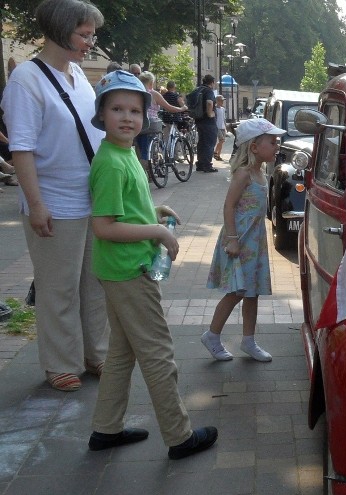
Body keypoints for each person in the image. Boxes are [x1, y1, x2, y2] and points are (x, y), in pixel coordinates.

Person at [86, 70, 218, 459]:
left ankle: (105, 430)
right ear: (102, 114)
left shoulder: (123, 154)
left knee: (122, 354)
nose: (127, 117)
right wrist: (159, 234)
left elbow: (125, 211)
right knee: (159, 354)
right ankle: (179, 437)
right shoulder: (111, 162)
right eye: (117, 109)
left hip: (122, 269)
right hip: (130, 271)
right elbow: (104, 227)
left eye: (135, 110)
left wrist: (153, 212)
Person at [1, 0, 109, 391]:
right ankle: (60, 363)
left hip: (92, 198)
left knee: (95, 282)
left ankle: (96, 353)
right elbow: (22, 148)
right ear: (60, 31)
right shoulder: (26, 79)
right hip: (54, 201)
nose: (90, 41)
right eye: (84, 33)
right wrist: (37, 205)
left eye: (91, 33)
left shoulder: (78, 74)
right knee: (58, 286)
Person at [200, 118, 282, 362]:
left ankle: (248, 340)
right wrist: (233, 239)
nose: (277, 146)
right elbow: (229, 206)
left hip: (254, 241)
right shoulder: (244, 174)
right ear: (254, 147)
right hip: (240, 240)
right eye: (272, 142)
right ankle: (212, 335)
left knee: (252, 292)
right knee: (237, 291)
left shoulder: (259, 172)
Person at [136, 71, 186, 177]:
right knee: (147, 150)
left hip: (138, 123)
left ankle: (144, 170)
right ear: (151, 82)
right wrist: (182, 108)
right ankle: (145, 173)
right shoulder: (153, 94)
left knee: (140, 149)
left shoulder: (137, 92)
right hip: (151, 124)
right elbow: (169, 108)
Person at [193, 74, 218, 172]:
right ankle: (207, 165)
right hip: (208, 122)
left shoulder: (198, 89)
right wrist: (210, 113)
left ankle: (200, 164)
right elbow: (209, 102)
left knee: (202, 143)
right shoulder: (209, 91)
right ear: (212, 82)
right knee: (210, 143)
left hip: (199, 120)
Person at [213, 95, 226, 161]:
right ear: (217, 101)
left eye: (223, 100)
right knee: (221, 140)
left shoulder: (223, 109)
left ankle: (218, 155)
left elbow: (224, 119)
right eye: (221, 100)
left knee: (222, 141)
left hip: (222, 127)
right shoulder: (215, 109)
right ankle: (215, 152)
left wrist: (225, 127)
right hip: (217, 126)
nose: (222, 102)